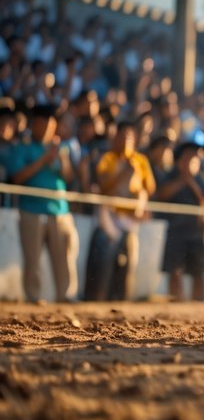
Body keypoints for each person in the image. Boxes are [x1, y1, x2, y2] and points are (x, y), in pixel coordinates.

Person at [4, 103, 79, 303]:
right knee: (33, 259)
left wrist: (61, 159)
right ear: (33, 124)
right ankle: (33, 297)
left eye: (49, 123)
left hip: (60, 210)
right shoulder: (23, 148)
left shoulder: (62, 148)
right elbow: (17, 177)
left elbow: (69, 178)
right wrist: (44, 160)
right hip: (31, 209)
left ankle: (66, 295)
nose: (45, 127)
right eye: (41, 123)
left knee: (65, 257)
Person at [84, 124, 154, 301]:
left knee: (128, 263)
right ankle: (98, 300)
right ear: (115, 139)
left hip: (131, 219)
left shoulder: (141, 160)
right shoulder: (107, 158)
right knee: (103, 263)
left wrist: (140, 203)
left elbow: (150, 188)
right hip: (110, 218)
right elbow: (104, 186)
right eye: (122, 136)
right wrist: (124, 173)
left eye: (129, 137)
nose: (125, 141)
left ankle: (122, 302)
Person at [155, 142, 204, 302]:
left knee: (198, 271)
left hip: (196, 231)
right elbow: (162, 194)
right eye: (189, 156)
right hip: (176, 229)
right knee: (174, 269)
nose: (193, 160)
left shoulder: (202, 177)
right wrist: (183, 179)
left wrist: (191, 181)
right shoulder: (171, 175)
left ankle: (200, 303)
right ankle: (176, 301)